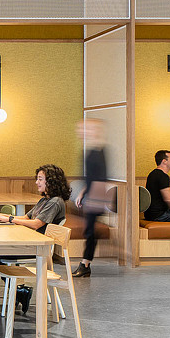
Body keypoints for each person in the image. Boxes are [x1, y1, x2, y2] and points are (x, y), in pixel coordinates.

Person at [0, 164, 70, 314]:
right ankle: (19, 291)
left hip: (36, 248)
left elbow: (37, 224)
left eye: (40, 179)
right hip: (30, 243)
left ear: (51, 181)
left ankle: (18, 291)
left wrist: (10, 219)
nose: (37, 182)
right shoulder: (44, 200)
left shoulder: (55, 202)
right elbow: (25, 217)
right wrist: (4, 217)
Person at [72, 119, 107, 278]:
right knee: (90, 230)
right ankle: (85, 263)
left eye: (86, 129)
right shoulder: (91, 150)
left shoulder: (99, 151)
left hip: (97, 195)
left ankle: (85, 264)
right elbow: (91, 177)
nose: (82, 131)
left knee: (90, 231)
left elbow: (100, 178)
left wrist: (92, 198)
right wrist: (82, 193)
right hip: (92, 194)